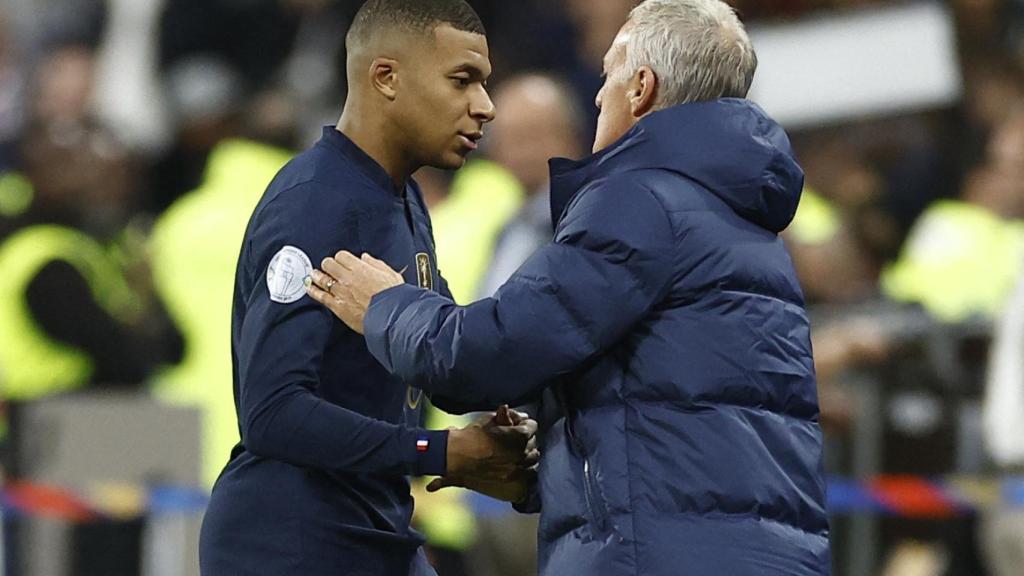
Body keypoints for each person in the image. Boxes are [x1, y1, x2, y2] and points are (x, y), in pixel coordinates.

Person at [308, 0, 830, 574]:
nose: (599, 94)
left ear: (641, 89)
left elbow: (481, 356)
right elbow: (673, 424)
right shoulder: (743, 224)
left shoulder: (642, 202)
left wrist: (384, 305)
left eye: (609, 75)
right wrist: (530, 469)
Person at [198, 2, 537, 575]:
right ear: (386, 77)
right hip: (288, 538)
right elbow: (273, 411)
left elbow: (439, 360)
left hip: (374, 525)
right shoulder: (316, 203)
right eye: (463, 80)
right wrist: (440, 451)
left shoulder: (402, 200)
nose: (486, 106)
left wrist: (503, 435)